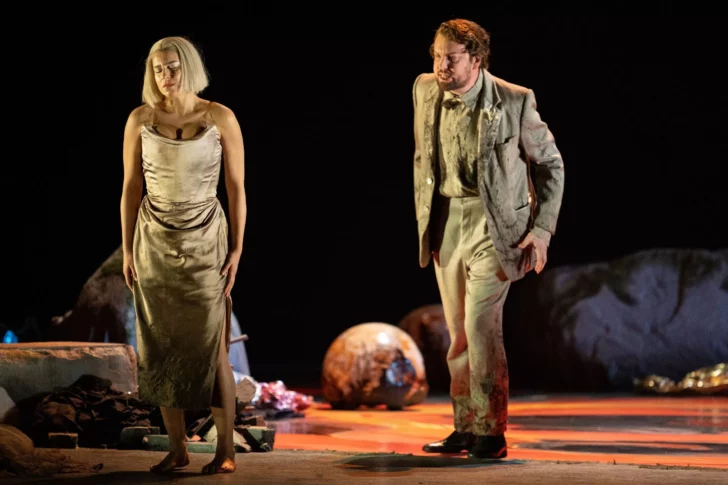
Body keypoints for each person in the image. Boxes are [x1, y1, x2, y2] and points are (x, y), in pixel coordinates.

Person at [413, 19, 565, 459]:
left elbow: (551, 166)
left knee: (481, 328)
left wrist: (541, 230)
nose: (441, 66)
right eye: (437, 56)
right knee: (458, 332)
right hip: (447, 219)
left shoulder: (514, 100)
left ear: (476, 59)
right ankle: (465, 425)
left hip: (494, 225)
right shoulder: (424, 89)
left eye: (451, 58)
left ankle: (491, 430)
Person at [120, 36, 246, 474]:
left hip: (205, 240)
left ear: (189, 67)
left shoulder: (219, 116)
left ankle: (226, 450)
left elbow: (236, 187)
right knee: (160, 345)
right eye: (157, 69)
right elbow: (130, 188)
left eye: (172, 67)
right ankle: (177, 448)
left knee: (212, 347)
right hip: (153, 240)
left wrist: (237, 248)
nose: (165, 76)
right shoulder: (140, 119)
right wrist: (128, 248)